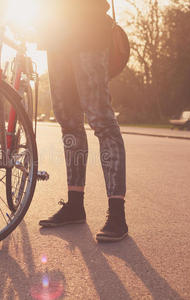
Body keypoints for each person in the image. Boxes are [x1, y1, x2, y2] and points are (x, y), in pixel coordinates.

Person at [35, 0, 128, 242]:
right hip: (55, 33)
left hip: (88, 27)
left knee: (102, 120)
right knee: (67, 120)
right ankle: (75, 205)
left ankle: (117, 214)